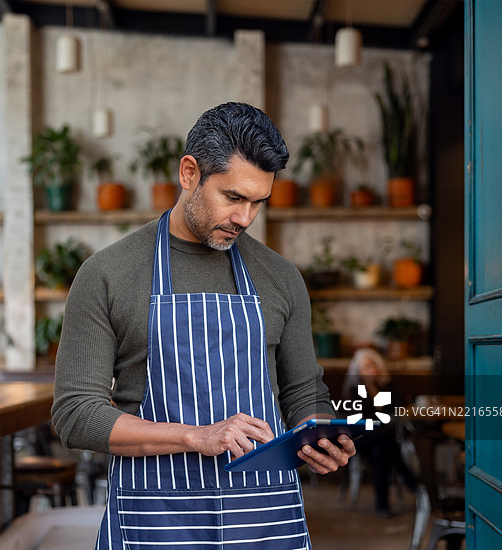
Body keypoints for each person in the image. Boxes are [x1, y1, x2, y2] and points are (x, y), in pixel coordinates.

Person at [52, 102, 355, 549]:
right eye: (233, 197)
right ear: (189, 173)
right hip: (155, 518)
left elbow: (304, 392)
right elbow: (76, 414)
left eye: (258, 203)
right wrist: (195, 436)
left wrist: (320, 433)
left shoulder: (281, 277)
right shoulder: (108, 274)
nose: (245, 218)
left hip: (264, 517)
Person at [343, 347, 418, 517]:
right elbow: (360, 421)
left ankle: (382, 505)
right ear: (358, 371)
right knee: (385, 439)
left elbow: (399, 408)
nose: (372, 370)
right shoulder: (354, 390)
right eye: (367, 366)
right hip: (360, 439)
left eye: (374, 365)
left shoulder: (385, 387)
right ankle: (410, 481)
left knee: (380, 450)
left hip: (380, 440)